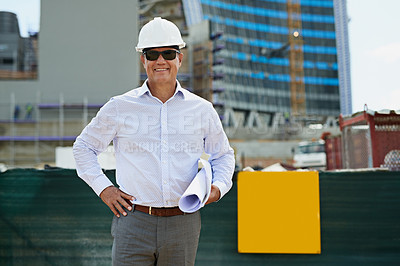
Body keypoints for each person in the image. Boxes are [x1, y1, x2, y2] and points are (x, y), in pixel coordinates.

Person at [73, 17, 235, 265]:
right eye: (152, 54)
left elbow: (223, 155)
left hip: (184, 222)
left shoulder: (202, 110)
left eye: (169, 53)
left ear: (180, 58)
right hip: (133, 221)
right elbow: (84, 147)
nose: (161, 61)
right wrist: (104, 189)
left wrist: (218, 188)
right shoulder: (120, 107)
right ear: (143, 59)